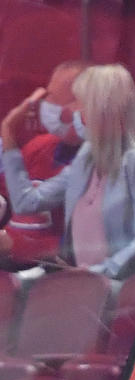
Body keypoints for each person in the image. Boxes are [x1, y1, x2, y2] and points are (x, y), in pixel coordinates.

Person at [1, 63, 135, 280]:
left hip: (121, 290)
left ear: (104, 109)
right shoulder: (85, 157)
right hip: (77, 283)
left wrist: (94, 275)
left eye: (80, 104)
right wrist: (9, 135)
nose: (73, 112)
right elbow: (28, 202)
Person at [0, 60, 87, 269]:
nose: (44, 103)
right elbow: (6, 196)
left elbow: (87, 248)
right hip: (12, 265)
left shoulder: (97, 165)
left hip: (53, 276)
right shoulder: (40, 146)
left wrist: (17, 246)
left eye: (54, 98)